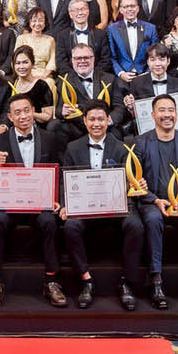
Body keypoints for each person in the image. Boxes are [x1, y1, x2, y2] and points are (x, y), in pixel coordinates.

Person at [60, 101, 143, 310]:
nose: (96, 123)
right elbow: (64, 180)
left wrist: (137, 184)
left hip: (115, 207)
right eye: (92, 119)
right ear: (84, 121)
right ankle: (86, 280)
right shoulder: (73, 147)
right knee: (70, 226)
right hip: (85, 208)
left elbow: (129, 181)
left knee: (135, 225)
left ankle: (127, 282)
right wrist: (64, 205)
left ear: (108, 121)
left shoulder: (122, 147)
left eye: (100, 119)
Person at [0, 95, 66, 309]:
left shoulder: (50, 138)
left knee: (50, 221)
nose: (23, 116)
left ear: (33, 111)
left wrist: (57, 199)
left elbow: (59, 172)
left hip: (40, 203)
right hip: (11, 204)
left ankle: (52, 281)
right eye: (17, 112)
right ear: (10, 117)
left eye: (26, 110)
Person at [133, 94, 178, 309]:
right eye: (162, 110)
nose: (167, 115)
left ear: (177, 114)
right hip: (153, 203)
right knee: (153, 219)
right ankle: (156, 280)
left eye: (171, 110)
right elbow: (135, 181)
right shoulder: (141, 142)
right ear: (153, 115)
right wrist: (155, 200)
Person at [107, 0, 158, 81]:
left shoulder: (151, 28)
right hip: (122, 78)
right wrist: (121, 73)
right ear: (121, 10)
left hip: (146, 77)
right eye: (126, 7)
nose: (130, 9)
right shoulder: (112, 29)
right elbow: (111, 56)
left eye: (132, 6)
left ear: (137, 8)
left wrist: (148, 73)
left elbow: (155, 54)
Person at [55, 0, 111, 77]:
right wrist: (75, 77)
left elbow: (106, 60)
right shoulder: (62, 36)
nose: (80, 13)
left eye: (83, 9)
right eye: (76, 10)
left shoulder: (101, 34)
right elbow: (61, 62)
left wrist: (93, 75)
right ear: (70, 14)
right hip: (72, 78)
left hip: (97, 77)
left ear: (88, 11)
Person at [7, 45, 55, 126]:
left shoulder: (41, 85)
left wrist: (28, 113)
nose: (21, 67)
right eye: (18, 63)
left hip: (37, 127)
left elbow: (48, 116)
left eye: (25, 62)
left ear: (32, 64)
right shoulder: (11, 84)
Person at [14, 7, 58, 78]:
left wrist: (44, 75)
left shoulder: (50, 40)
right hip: (24, 74)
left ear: (45, 22)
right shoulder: (21, 39)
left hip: (44, 75)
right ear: (29, 22)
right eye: (34, 21)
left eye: (40, 20)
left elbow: (52, 62)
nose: (37, 24)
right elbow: (16, 60)